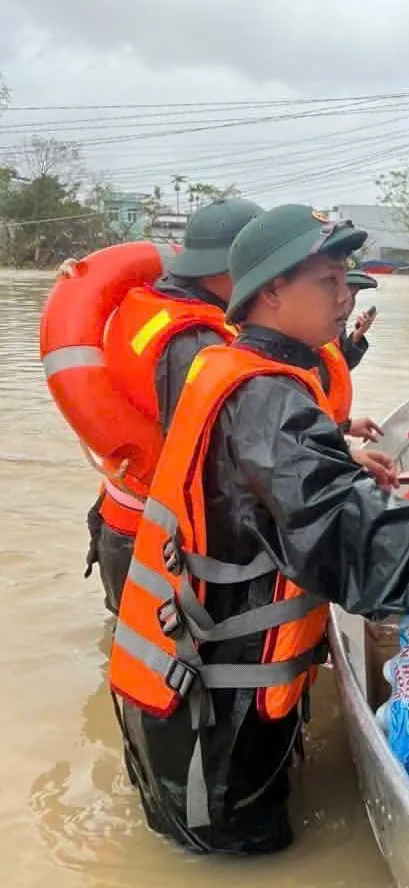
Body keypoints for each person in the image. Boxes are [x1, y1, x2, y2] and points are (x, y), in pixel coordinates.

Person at [108, 204, 409, 855]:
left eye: (346, 280)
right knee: (243, 866)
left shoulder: (238, 372)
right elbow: (351, 545)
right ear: (271, 292)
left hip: (189, 685)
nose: (346, 297)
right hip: (214, 717)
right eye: (327, 282)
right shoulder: (266, 397)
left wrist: (340, 456)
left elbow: (269, 483)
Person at [83, 197, 263, 613]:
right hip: (155, 542)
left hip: (120, 520)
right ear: (230, 269)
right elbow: (224, 460)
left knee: (128, 644)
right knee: (162, 652)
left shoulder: (145, 305)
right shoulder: (196, 341)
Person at [338, 268, 378, 371]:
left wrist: (356, 336)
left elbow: (341, 365)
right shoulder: (310, 333)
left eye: (354, 295)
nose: (351, 303)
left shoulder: (337, 328)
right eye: (348, 295)